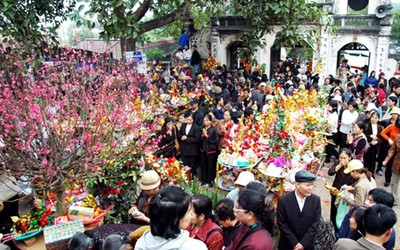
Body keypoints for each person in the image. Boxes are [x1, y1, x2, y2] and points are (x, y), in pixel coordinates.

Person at [134, 186, 207, 250]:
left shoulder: (141, 244)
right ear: (175, 220)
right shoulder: (195, 247)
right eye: (188, 211)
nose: (191, 215)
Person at [277, 170, 321, 250]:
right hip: (288, 244)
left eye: (312, 185)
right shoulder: (283, 200)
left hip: (307, 245)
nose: (311, 188)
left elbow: (315, 224)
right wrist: (294, 243)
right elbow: (282, 224)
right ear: (297, 185)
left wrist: (303, 244)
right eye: (308, 185)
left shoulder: (315, 200)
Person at [328, 148, 354, 231]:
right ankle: (333, 228)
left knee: (343, 212)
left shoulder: (353, 165)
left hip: (346, 193)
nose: (342, 160)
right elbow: (330, 172)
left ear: (349, 157)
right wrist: (339, 165)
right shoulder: (338, 163)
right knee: (334, 210)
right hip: (336, 191)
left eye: (344, 158)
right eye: (340, 158)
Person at [178, 111, 201, 176]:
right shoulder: (183, 125)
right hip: (184, 149)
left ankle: (193, 178)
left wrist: (187, 138)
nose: (188, 120)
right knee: (184, 165)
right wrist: (182, 137)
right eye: (187, 119)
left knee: (192, 166)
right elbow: (179, 134)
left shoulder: (196, 127)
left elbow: (196, 139)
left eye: (190, 119)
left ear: (193, 120)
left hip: (192, 150)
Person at [363, 110, 384, 176]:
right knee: (366, 159)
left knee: (373, 160)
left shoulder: (380, 127)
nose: (374, 119)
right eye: (373, 117)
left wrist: (377, 141)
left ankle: (371, 174)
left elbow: (382, 138)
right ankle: (365, 172)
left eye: (376, 118)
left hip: (375, 146)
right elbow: (363, 135)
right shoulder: (366, 125)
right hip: (367, 145)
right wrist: (370, 136)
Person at [199, 114, 218, 184]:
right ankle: (203, 180)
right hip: (203, 150)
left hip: (211, 150)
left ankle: (210, 181)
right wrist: (202, 135)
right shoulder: (201, 128)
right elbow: (198, 138)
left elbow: (215, 140)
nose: (205, 122)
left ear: (210, 121)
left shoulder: (213, 129)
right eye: (204, 120)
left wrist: (207, 136)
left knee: (211, 166)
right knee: (203, 165)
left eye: (206, 120)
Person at [383, 134, 400, 205]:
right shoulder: (398, 137)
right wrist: (386, 160)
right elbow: (392, 150)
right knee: (394, 183)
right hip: (397, 163)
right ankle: (394, 199)